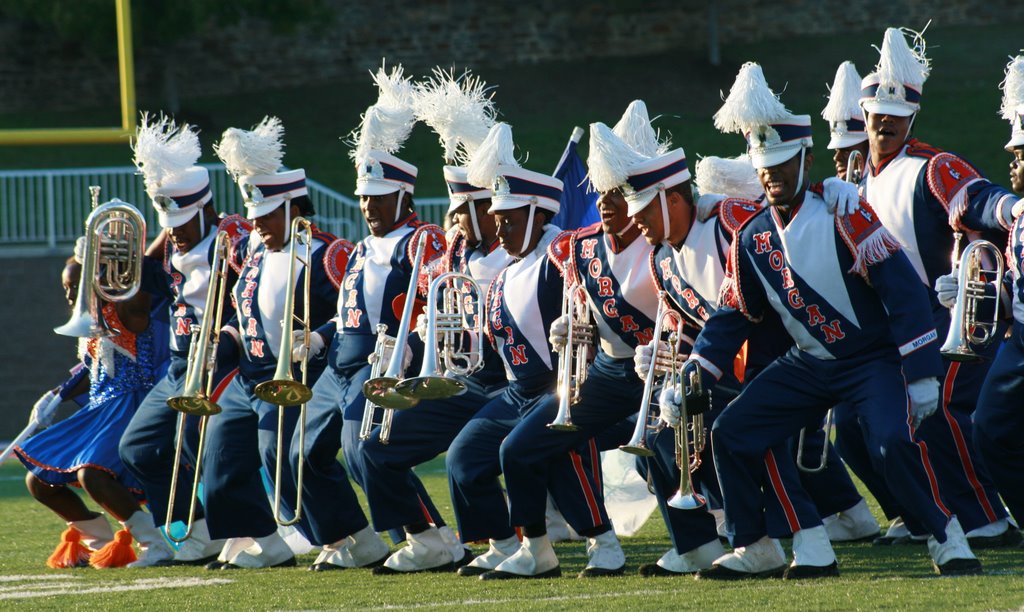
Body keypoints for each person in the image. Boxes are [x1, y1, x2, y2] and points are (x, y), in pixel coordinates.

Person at [688, 61, 980, 579]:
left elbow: (904, 291)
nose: (772, 175)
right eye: (764, 167)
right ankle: (764, 544)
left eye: (781, 164)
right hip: (810, 364)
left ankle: (945, 534)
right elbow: (736, 311)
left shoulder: (844, 211)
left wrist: (922, 372)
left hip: (872, 360)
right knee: (733, 430)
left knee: (892, 443)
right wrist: (699, 366)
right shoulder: (751, 236)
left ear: (804, 159)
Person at [858, 26, 1018, 546]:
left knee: (944, 408)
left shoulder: (932, 165)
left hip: (948, 316)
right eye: (878, 116)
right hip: (898, 324)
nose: (884, 123)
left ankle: (986, 516)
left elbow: (976, 198)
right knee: (885, 421)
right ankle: (933, 512)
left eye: (896, 118)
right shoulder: (862, 180)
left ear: (911, 119)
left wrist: (1012, 207)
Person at [288, 64, 448, 572]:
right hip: (337, 366)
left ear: (402, 196)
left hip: (381, 365)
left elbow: (428, 309)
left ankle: (431, 536)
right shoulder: (358, 250)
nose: (368, 206)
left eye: (378, 198)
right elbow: (349, 314)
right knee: (300, 455)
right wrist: (317, 336)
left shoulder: (424, 242)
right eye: (363, 197)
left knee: (365, 450)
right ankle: (353, 538)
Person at [359, 68, 515, 574]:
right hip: (456, 380)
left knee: (465, 456)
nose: (460, 219)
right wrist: (417, 341)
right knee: (375, 446)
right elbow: (421, 307)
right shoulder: (449, 253)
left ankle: (509, 542)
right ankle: (425, 538)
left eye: (471, 208)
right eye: (457, 208)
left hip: (506, 383)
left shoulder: (525, 252)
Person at [447, 122, 607, 580]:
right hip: (517, 391)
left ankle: (599, 542)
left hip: (565, 384)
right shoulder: (503, 273)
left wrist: (581, 329)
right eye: (496, 219)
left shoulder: (562, 252)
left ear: (539, 213)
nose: (500, 228)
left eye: (509, 219)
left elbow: (599, 301)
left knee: (532, 451)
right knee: (464, 458)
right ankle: (504, 543)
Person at [201, 116, 347, 569]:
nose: (257, 224)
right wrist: (225, 335)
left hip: (303, 375)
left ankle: (345, 537)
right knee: (220, 451)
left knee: (280, 454)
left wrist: (320, 337)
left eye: (266, 216)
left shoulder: (328, 252)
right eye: (254, 216)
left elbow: (357, 314)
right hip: (251, 375)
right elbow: (240, 309)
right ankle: (265, 540)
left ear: (292, 210)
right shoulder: (249, 250)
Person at [119, 114, 248, 566]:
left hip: (221, 363)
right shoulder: (172, 242)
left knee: (200, 441)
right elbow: (134, 316)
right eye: (167, 220)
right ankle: (196, 530)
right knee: (137, 447)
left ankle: (243, 532)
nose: (175, 229)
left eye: (182, 219)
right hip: (179, 366)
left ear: (207, 210)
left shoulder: (233, 238)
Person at [16, 252, 170, 569]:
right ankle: (98, 541)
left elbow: (139, 310)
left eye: (76, 286)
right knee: (38, 481)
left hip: (130, 403)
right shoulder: (91, 321)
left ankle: (153, 543)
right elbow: (94, 368)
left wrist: (120, 256)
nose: (70, 295)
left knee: (93, 475)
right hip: (101, 406)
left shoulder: (126, 308)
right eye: (67, 287)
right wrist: (57, 395)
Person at [936, 54, 1024, 532]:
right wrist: (970, 294)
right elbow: (1014, 296)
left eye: (1021, 155)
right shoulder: (1021, 222)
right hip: (1021, 343)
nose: (1012, 164)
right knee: (989, 429)